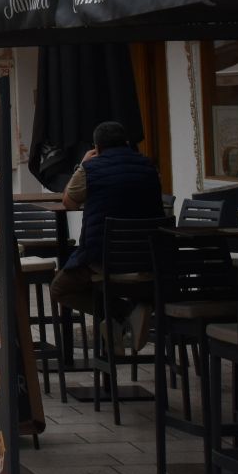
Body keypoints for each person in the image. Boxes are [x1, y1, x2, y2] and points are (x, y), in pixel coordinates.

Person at [52, 120, 164, 337]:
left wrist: (81, 165)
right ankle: (123, 321)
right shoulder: (149, 167)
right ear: (127, 143)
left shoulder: (90, 169)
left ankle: (122, 313)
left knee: (59, 288)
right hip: (149, 257)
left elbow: (69, 202)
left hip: (103, 259)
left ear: (97, 148)